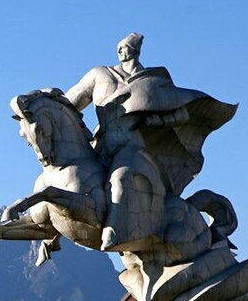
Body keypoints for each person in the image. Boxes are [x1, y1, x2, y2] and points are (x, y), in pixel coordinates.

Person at [64, 33, 236, 251]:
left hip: (131, 146)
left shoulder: (153, 82)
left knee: (121, 177)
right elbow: (69, 103)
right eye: (118, 47)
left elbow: (182, 114)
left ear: (135, 50)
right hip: (102, 145)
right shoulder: (100, 75)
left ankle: (114, 229)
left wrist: (158, 120)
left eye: (124, 47)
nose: (120, 51)